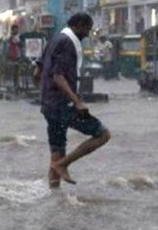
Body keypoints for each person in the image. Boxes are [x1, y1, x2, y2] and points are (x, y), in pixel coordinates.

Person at [35, 12, 111, 188]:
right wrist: (76, 102)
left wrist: (46, 93)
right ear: (79, 25)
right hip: (63, 104)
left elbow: (37, 72)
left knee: (57, 148)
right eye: (87, 30)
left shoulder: (55, 39)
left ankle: (54, 194)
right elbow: (58, 76)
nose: (87, 35)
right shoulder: (68, 43)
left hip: (48, 104)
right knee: (102, 134)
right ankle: (63, 165)